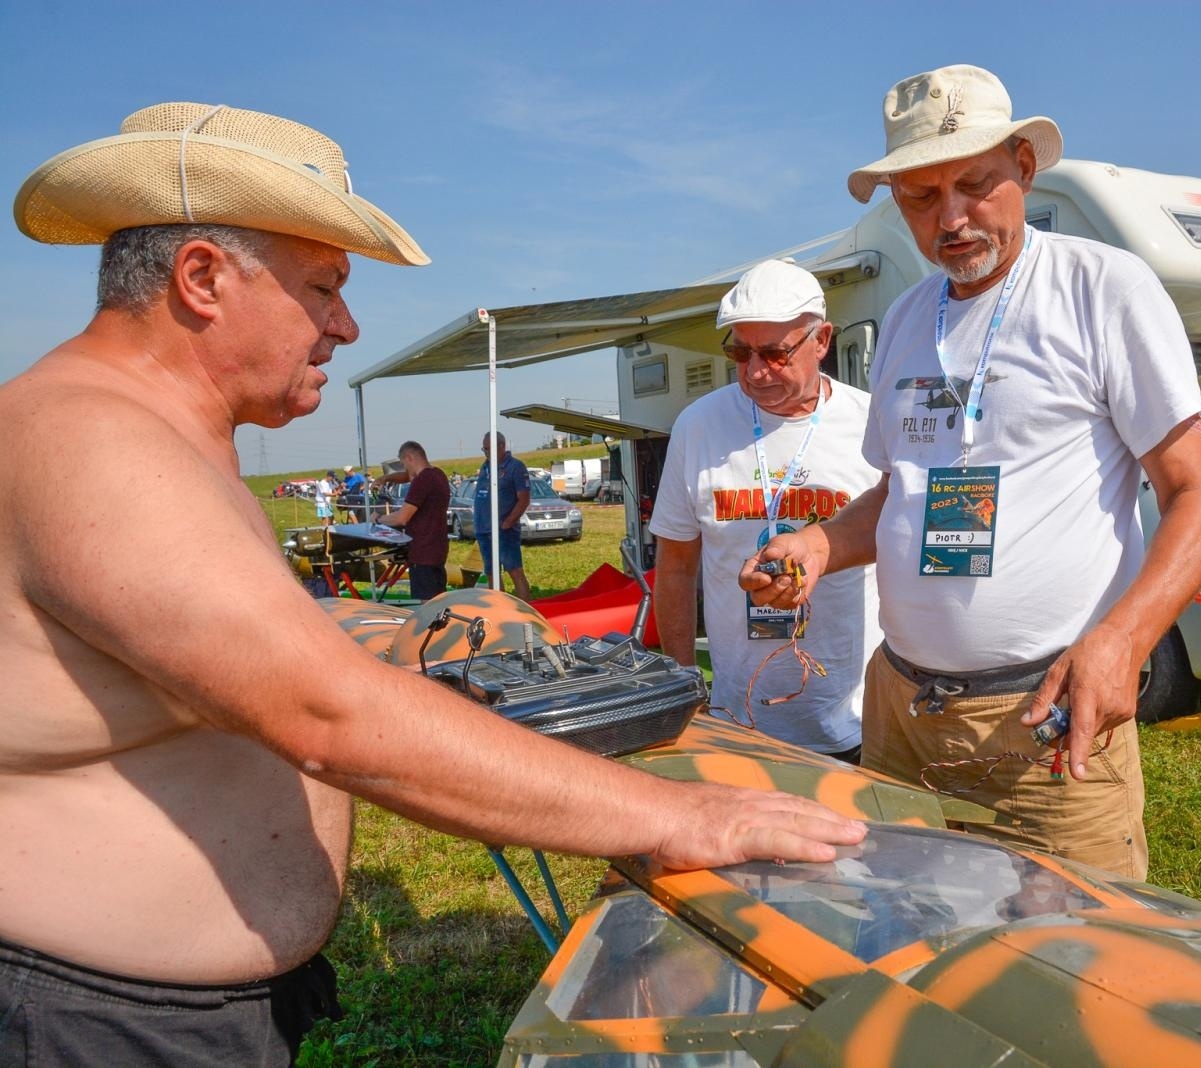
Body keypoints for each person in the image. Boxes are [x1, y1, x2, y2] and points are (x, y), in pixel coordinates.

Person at [0, 101, 862, 1065]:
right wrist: (685, 814)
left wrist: (394, 630)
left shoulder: (140, 439)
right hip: (88, 1023)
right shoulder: (98, 447)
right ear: (202, 278)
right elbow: (326, 715)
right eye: (323, 287)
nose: (346, 324)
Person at [742, 65, 1201, 880]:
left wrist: (1123, 640)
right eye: (921, 199)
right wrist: (822, 544)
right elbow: (901, 492)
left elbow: (1198, 497)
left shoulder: (1101, 289)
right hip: (901, 711)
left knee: (1074, 968)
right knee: (911, 939)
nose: (952, 219)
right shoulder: (904, 318)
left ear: (1025, 168)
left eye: (974, 184)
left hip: (1046, 722)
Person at [650, 260, 882, 763]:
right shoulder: (699, 426)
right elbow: (675, 565)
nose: (755, 372)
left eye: (776, 353)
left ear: (821, 340)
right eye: (740, 351)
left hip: (858, 718)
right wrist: (684, 685)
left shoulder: (870, 421)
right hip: (739, 719)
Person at [376, 441, 451, 601]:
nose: (405, 469)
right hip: (438, 548)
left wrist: (379, 519)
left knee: (425, 606)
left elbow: (402, 518)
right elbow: (408, 476)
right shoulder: (438, 474)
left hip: (422, 552)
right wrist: (387, 478)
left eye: (404, 464)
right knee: (439, 603)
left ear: (409, 458)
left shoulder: (422, 480)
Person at [474, 431, 533, 601]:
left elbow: (524, 499)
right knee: (492, 573)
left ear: (502, 446)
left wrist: (508, 522)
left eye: (489, 449)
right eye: (484, 449)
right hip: (484, 529)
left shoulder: (515, 467)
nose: (486, 453)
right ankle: (499, 607)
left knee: (514, 570)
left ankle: (527, 611)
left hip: (504, 530)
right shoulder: (485, 467)